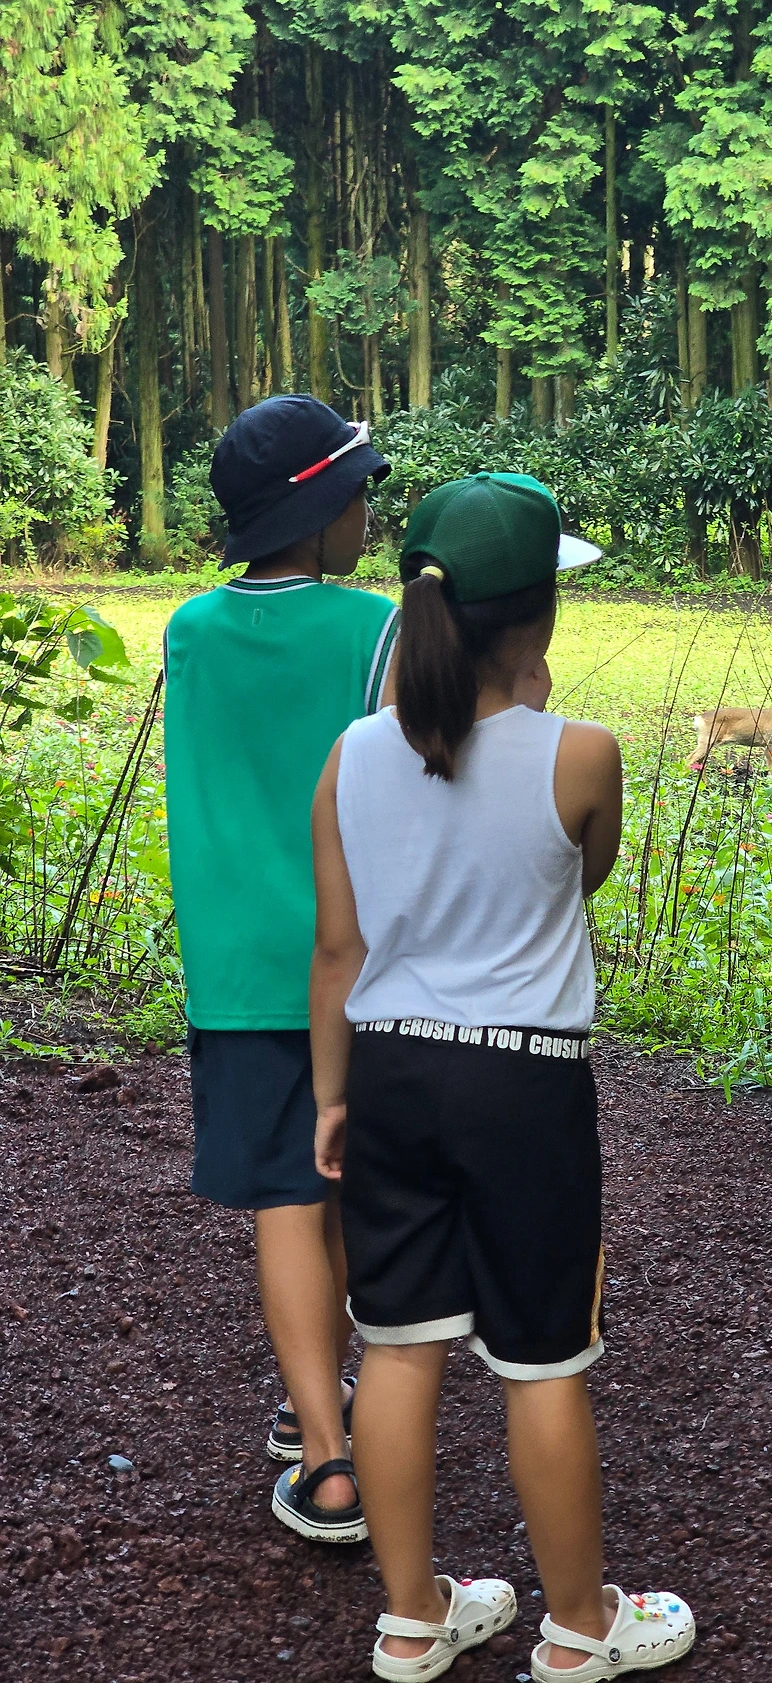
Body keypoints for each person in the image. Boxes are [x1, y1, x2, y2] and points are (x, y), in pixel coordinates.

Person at [308, 471, 697, 1681]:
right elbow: (578, 876)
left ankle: (412, 1618)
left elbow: (337, 950)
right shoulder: (581, 754)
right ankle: (579, 1628)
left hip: (389, 1072)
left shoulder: (350, 755)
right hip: (523, 1083)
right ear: (541, 615)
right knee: (540, 1360)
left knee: (396, 1346)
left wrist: (332, 1096)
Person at [163, 395, 398, 1543]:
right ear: (320, 512)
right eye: (360, 497)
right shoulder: (376, 630)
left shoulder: (189, 631)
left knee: (284, 1194)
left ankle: (319, 1430)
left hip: (239, 967)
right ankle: (327, 1442)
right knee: (338, 1181)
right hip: (363, 961)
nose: (369, 517)